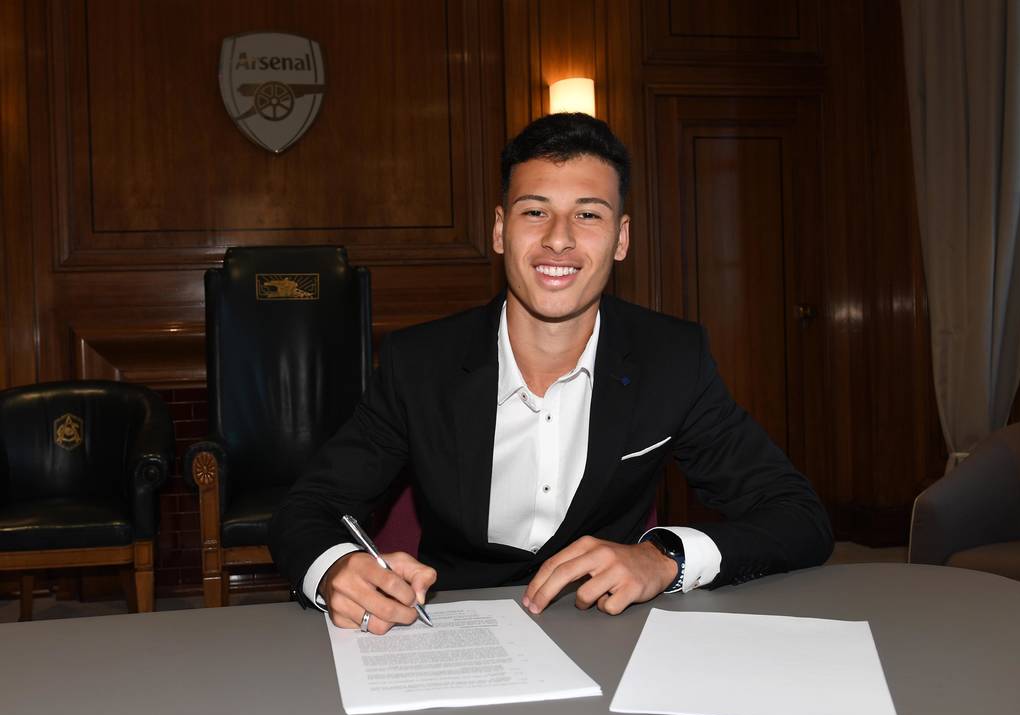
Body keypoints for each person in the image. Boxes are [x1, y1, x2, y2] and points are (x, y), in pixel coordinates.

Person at [269, 113, 833, 635]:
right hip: (453, 631)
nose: (558, 238)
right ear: (499, 230)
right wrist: (334, 568)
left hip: (613, 632)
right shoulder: (418, 363)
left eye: (588, 214)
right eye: (535, 211)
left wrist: (665, 556)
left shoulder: (672, 358)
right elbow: (309, 507)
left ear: (622, 238)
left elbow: (797, 516)